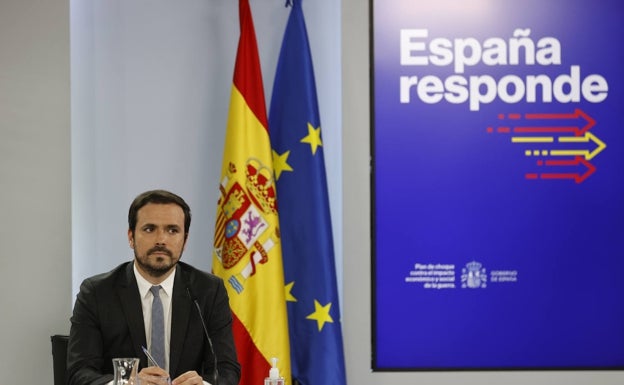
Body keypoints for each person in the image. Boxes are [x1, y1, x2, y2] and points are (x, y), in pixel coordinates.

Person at [67, 189, 241, 385]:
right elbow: (78, 373)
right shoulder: (97, 293)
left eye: (172, 230)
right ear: (131, 236)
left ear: (185, 240)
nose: (161, 240)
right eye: (149, 229)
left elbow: (227, 370)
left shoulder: (208, 291)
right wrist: (127, 383)